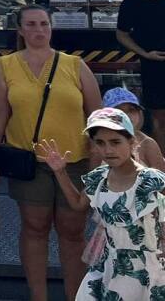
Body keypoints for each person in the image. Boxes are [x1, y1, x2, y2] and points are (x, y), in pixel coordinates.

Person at [0, 5, 101, 301]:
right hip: (29, 159)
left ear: (51, 28)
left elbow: (97, 113)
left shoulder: (74, 65)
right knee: (35, 228)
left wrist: (100, 157)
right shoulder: (6, 65)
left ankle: (74, 295)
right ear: (21, 30)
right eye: (31, 24)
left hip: (74, 159)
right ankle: (39, 296)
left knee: (72, 230)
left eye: (44, 24)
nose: (39, 30)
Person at [39, 108, 165, 300]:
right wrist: (60, 172)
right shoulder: (99, 177)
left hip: (148, 271)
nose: (108, 150)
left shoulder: (150, 180)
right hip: (110, 266)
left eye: (115, 142)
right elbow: (78, 204)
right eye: (100, 143)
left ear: (131, 142)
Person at [115, 0, 165, 136]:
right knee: (159, 119)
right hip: (154, 67)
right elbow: (122, 34)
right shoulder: (131, 5)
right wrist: (144, 53)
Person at [97, 86, 165, 170]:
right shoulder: (100, 142)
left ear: (139, 114)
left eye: (131, 110)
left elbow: (161, 179)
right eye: (119, 111)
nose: (127, 115)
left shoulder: (147, 144)